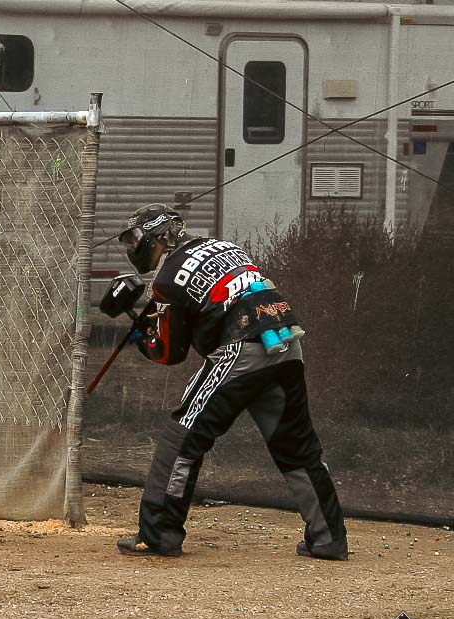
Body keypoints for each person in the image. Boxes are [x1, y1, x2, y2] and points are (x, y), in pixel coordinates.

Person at [113, 203, 347, 560]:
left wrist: (140, 334)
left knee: (183, 434)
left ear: (156, 238)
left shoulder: (168, 276)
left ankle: (158, 534)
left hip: (241, 348)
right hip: (285, 343)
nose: (132, 248)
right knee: (296, 446)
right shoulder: (223, 246)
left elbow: (171, 353)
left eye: (134, 239)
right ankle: (329, 538)